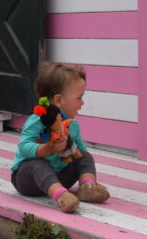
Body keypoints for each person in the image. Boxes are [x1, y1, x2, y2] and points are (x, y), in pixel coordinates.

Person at [10, 63, 111, 213]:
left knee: (85, 156)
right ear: (58, 100)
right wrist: (47, 149)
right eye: (79, 98)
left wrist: (88, 173)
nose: (82, 103)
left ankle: (88, 186)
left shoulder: (72, 125)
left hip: (59, 176)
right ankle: (62, 196)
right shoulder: (37, 121)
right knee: (37, 165)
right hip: (29, 181)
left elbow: (80, 153)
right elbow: (23, 147)